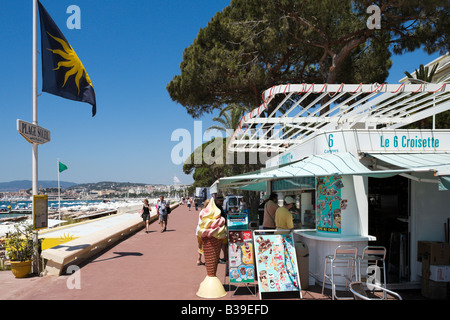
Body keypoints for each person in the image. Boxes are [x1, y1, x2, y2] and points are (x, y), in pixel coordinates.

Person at [196, 199, 210, 266]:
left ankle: (199, 259)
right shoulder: (208, 212)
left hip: (198, 230)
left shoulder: (201, 211)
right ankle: (207, 260)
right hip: (204, 231)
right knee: (206, 246)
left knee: (200, 245)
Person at [215, 195, 228, 264]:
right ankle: (218, 257)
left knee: (223, 243)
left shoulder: (220, 207)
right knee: (220, 243)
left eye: (222, 200)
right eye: (220, 201)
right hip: (219, 228)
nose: (222, 202)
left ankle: (223, 257)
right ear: (217, 201)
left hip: (222, 227)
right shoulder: (216, 208)